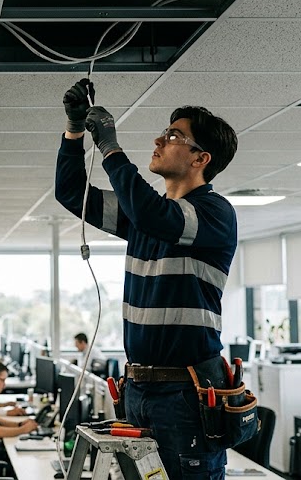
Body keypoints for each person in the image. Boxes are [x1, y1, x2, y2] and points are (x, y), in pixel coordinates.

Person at [55, 79, 238, 479]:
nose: (159, 139)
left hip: (186, 393)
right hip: (138, 389)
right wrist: (73, 129)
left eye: (174, 135)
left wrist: (110, 147)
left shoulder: (213, 214)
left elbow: (158, 216)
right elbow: (70, 192)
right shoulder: (144, 217)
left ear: (200, 158)